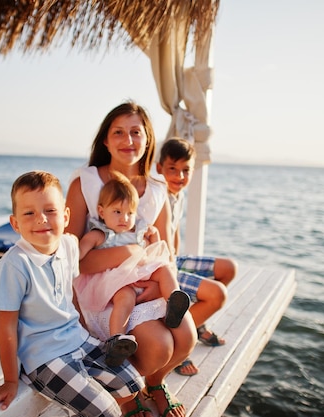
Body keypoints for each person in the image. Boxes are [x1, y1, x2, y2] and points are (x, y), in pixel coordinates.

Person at [0, 171, 145, 417]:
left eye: (50, 211)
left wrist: (86, 330)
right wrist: (10, 380)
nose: (41, 219)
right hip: (43, 356)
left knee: (133, 384)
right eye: (29, 213)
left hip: (76, 337)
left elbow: (70, 292)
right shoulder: (14, 265)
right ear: (15, 223)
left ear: (65, 216)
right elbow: (6, 327)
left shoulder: (70, 244)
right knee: (108, 412)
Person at [66, 101, 196, 417]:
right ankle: (127, 394)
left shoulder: (157, 188)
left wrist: (157, 286)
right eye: (119, 132)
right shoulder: (86, 182)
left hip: (150, 282)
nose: (128, 141)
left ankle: (155, 383)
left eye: (136, 132)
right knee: (160, 345)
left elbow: (165, 247)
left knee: (186, 338)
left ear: (148, 138)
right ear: (106, 141)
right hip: (107, 288)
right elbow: (72, 258)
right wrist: (129, 253)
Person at [75, 172, 191, 367]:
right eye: (117, 212)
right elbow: (79, 252)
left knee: (164, 270)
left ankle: (174, 302)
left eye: (130, 213)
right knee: (125, 298)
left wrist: (153, 236)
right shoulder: (101, 233)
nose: (124, 218)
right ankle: (116, 339)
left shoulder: (138, 231)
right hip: (116, 279)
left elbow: (156, 247)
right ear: (102, 212)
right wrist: (76, 252)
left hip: (139, 272)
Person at [156, 137, 239, 377]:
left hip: (175, 259)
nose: (179, 176)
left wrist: (179, 258)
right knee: (216, 295)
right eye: (172, 168)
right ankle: (179, 341)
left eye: (185, 170)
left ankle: (196, 321)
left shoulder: (178, 195)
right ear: (160, 168)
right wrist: (172, 270)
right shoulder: (157, 195)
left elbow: (175, 233)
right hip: (162, 267)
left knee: (228, 268)